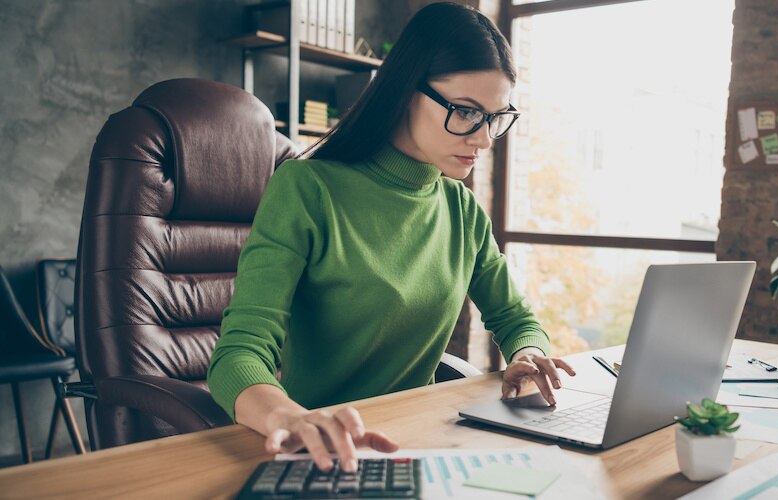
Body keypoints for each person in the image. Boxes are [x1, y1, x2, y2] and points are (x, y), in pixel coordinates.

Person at [207, 2, 574, 474]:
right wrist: (289, 417)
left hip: (423, 443)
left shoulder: (461, 210)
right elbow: (238, 353)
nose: (483, 140)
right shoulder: (306, 189)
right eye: (465, 112)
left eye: (495, 118)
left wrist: (528, 353)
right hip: (321, 452)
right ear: (405, 91)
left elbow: (514, 316)